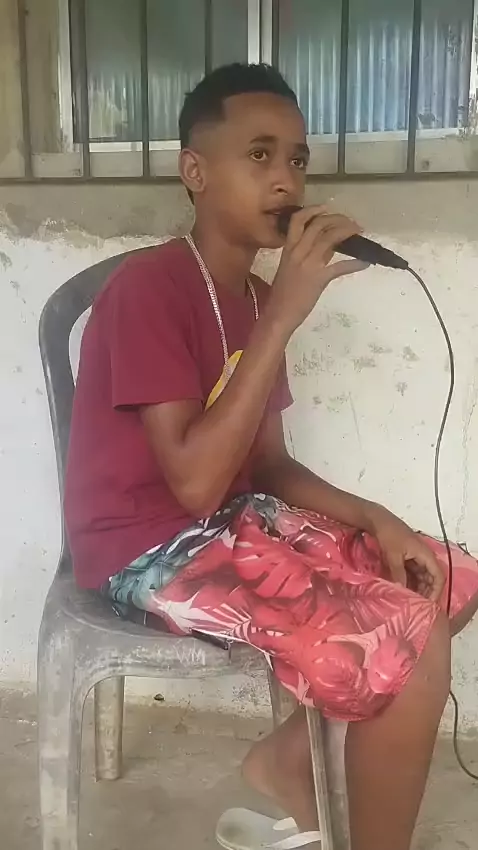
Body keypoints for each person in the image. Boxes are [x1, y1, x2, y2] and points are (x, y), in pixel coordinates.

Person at [64, 63, 478, 850]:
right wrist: (283, 317)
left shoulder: (254, 298)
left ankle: (287, 765)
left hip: (229, 515)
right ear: (195, 171)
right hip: (144, 544)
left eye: (297, 159)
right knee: (407, 636)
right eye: (259, 155)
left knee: (443, 576)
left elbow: (269, 464)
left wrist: (378, 519)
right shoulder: (149, 288)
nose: (285, 179)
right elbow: (193, 484)